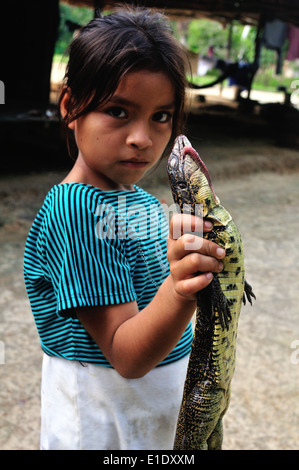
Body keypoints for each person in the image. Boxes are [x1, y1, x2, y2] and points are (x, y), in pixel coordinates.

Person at [23, 7, 225, 450]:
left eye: (161, 116)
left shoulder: (143, 203)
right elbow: (126, 354)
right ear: (71, 106)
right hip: (103, 419)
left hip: (152, 410)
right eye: (119, 111)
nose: (143, 138)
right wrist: (182, 288)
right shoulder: (75, 212)